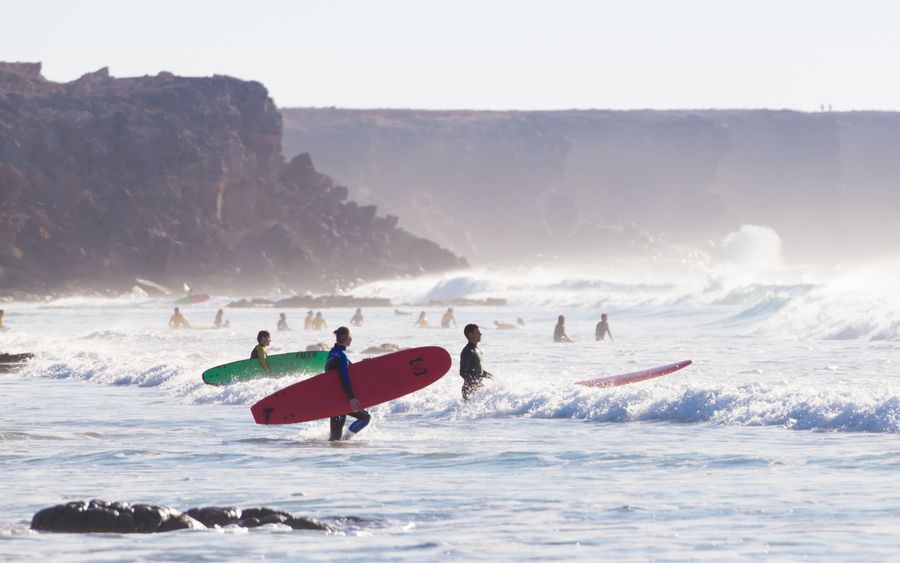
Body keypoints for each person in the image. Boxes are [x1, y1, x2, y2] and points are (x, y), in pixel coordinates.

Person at [327, 326, 371, 441]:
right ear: (347, 338)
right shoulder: (342, 356)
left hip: (333, 398)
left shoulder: (333, 352)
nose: (352, 339)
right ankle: (346, 439)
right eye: (351, 336)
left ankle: (339, 445)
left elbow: (350, 369)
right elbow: (344, 377)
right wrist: (352, 397)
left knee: (334, 438)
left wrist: (363, 364)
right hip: (342, 399)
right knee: (365, 418)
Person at [459, 323, 492, 401]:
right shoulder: (468, 351)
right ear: (470, 335)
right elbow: (463, 372)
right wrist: (474, 384)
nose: (480, 334)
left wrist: (491, 377)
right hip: (470, 390)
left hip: (477, 389)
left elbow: (477, 370)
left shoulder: (477, 350)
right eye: (477, 332)